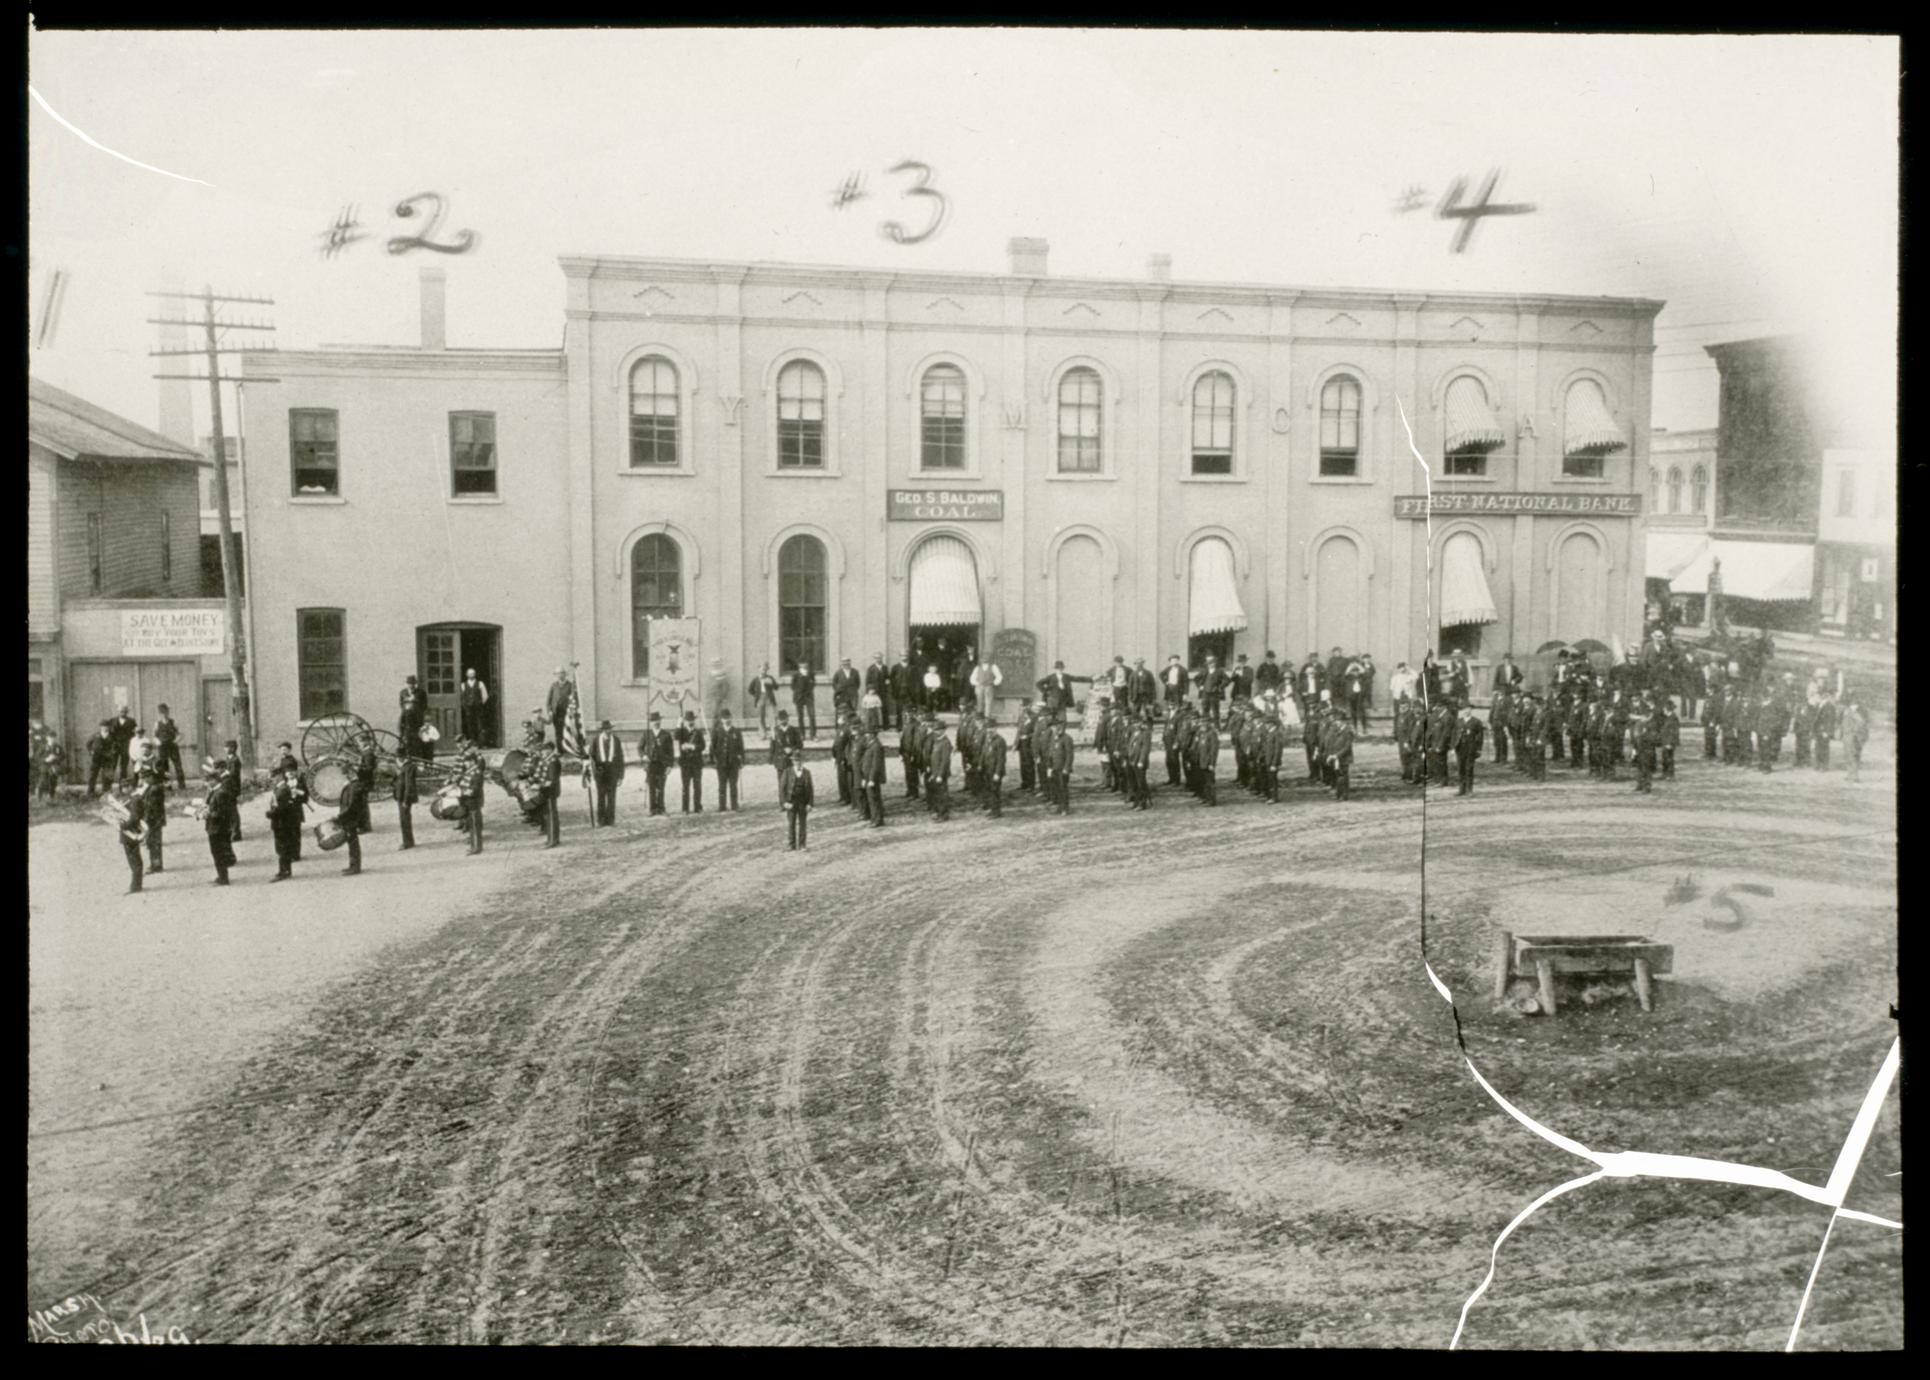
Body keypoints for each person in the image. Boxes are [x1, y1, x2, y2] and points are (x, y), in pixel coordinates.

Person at [336, 742, 375, 874]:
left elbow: (352, 805)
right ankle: (352, 865)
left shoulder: (354, 786)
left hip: (351, 820)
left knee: (353, 844)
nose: (345, 777)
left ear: (350, 774)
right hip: (349, 819)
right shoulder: (352, 785)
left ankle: (355, 867)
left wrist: (340, 817)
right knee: (351, 843)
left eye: (346, 775)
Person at [266, 763, 307, 880]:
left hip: (282, 823)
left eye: (273, 777)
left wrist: (270, 813)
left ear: (279, 776)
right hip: (282, 823)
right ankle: (286, 870)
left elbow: (281, 809)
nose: (271, 779)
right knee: (282, 847)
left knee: (282, 848)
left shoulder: (283, 789)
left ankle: (284, 872)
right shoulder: (281, 787)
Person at [587, 718, 625, 826]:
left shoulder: (616, 740)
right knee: (601, 796)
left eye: (609, 729)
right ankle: (601, 820)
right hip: (601, 771)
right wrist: (594, 771)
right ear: (602, 730)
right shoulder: (596, 740)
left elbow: (620, 758)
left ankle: (610, 819)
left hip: (612, 771)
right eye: (606, 730)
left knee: (612, 796)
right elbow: (592, 756)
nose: (608, 731)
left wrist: (621, 775)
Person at [711, 710, 745, 812]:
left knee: (733, 785)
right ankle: (722, 806)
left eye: (728, 718)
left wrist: (742, 760)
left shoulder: (736, 732)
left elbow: (741, 747)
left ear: (731, 718)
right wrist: (713, 760)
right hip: (721, 763)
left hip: (733, 763)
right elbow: (712, 747)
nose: (727, 720)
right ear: (721, 720)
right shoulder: (717, 732)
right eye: (724, 718)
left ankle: (734, 805)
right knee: (722, 785)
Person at [675, 709, 707, 813]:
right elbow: (675, 736)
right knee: (685, 786)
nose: (690, 722)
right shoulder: (682, 732)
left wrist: (692, 746)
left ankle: (697, 807)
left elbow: (703, 746)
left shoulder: (698, 732)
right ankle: (685, 808)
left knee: (697, 786)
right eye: (688, 720)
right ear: (685, 721)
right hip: (685, 763)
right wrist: (678, 723)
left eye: (692, 720)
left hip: (697, 763)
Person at [644, 712, 675, 815]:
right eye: (654, 721)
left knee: (661, 787)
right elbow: (639, 747)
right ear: (651, 722)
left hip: (662, 765)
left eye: (658, 720)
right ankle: (653, 809)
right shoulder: (647, 734)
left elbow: (671, 751)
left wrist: (670, 765)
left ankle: (661, 808)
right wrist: (643, 755)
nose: (656, 722)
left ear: (660, 721)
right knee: (652, 786)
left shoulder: (666, 735)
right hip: (651, 764)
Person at [856, 721, 887, 826]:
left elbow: (875, 765)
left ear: (873, 735)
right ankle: (874, 818)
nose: (866, 735)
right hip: (867, 776)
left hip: (872, 777)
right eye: (866, 733)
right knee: (871, 798)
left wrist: (872, 779)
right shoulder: (870, 745)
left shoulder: (876, 746)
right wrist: (864, 777)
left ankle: (877, 819)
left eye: (868, 733)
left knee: (874, 799)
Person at [783, 750, 814, 850]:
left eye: (799, 760)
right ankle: (791, 845)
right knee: (791, 823)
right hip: (791, 801)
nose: (798, 762)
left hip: (802, 802)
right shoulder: (787, 772)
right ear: (792, 761)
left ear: (802, 761)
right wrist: (784, 802)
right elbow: (782, 789)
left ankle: (802, 845)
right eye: (796, 761)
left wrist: (810, 803)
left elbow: (810, 789)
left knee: (803, 824)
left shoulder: (807, 773)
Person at [151, 703, 187, 789]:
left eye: (166, 712)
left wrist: (175, 741)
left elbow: (181, 734)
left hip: (172, 746)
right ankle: (167, 786)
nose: (164, 714)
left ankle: (181, 785)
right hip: (162, 747)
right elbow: (153, 736)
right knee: (164, 766)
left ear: (168, 712)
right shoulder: (157, 724)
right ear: (159, 713)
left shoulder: (173, 722)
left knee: (178, 765)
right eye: (162, 712)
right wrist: (158, 742)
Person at [925, 720, 954, 822]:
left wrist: (940, 775)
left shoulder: (946, 743)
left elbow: (945, 761)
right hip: (935, 772)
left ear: (943, 731)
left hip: (941, 773)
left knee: (942, 794)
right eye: (935, 730)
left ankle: (943, 814)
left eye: (939, 730)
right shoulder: (937, 741)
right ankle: (937, 811)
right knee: (936, 794)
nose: (936, 732)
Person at [1454, 704, 1485, 796]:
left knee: (1469, 768)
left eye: (1468, 709)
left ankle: (1469, 789)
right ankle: (1461, 789)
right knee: (1460, 768)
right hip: (1460, 748)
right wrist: (1453, 746)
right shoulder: (1458, 721)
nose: (1466, 711)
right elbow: (1454, 735)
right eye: (1464, 709)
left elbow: (1480, 737)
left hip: (1471, 748)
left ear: (1471, 710)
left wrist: (1479, 749)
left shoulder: (1476, 722)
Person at [1191, 714, 1220, 806]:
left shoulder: (1212, 734)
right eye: (1201, 723)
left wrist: (1212, 763)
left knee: (1209, 781)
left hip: (1207, 762)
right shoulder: (1200, 733)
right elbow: (1196, 746)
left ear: (1209, 724)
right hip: (1200, 761)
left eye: (1205, 723)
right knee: (1203, 780)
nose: (1202, 725)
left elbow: (1213, 750)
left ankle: (1211, 800)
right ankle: (1205, 797)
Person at [459, 668, 491, 747]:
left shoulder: (480, 684)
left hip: (478, 708)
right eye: (469, 674)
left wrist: (480, 703)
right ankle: (471, 743)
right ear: (466, 675)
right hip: (468, 708)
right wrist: (464, 705)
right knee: (469, 725)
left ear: (475, 674)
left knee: (480, 725)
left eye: (473, 673)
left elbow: (485, 696)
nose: (471, 675)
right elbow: (461, 697)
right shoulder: (463, 685)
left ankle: (481, 743)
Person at [85, 722, 117, 797]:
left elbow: (116, 746)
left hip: (107, 758)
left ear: (109, 727)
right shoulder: (95, 735)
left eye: (106, 726)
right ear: (100, 727)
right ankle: (90, 792)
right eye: (103, 726)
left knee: (107, 775)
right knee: (93, 775)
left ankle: (106, 792)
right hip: (96, 758)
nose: (105, 728)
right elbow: (88, 744)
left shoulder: (112, 736)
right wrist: (91, 752)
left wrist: (112, 753)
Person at [545, 667, 574, 751]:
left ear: (565, 674)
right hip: (556, 714)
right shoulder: (553, 685)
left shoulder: (570, 685)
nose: (560, 675)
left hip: (566, 713)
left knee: (567, 732)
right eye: (558, 674)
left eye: (561, 673)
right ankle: (560, 750)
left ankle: (568, 749)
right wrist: (549, 711)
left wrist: (571, 711)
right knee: (558, 733)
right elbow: (548, 701)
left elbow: (573, 700)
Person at [1195, 656, 1229, 726]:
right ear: (1207, 664)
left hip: (1215, 694)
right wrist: (1200, 686)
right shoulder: (1204, 671)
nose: (1211, 665)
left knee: (1215, 710)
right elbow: (1196, 678)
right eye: (1209, 664)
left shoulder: (1220, 671)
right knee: (1205, 709)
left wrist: (1220, 687)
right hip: (1205, 693)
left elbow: (1227, 680)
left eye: (1213, 663)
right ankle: (1205, 725)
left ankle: (1217, 726)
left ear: (1215, 663)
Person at [1842, 696, 1869, 782]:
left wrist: (1854, 732)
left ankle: (1854, 776)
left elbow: (1861, 723)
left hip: (1852, 738)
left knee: (1853, 756)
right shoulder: (1848, 712)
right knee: (1848, 756)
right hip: (1847, 737)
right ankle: (1850, 774)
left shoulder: (1854, 713)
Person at [749, 663, 781, 737]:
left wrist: (771, 683)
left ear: (767, 669)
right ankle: (763, 733)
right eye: (762, 668)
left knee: (772, 716)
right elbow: (750, 689)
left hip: (769, 699)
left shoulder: (770, 677)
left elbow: (776, 687)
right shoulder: (756, 679)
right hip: (760, 699)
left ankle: (773, 732)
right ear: (759, 669)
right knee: (761, 717)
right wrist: (756, 695)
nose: (764, 670)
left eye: (765, 668)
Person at [705, 658, 732, 738]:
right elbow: (710, 687)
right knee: (715, 715)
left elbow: (726, 686)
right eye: (714, 663)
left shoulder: (722, 674)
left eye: (716, 663)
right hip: (713, 698)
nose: (715, 665)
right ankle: (715, 732)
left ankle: (716, 732)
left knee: (719, 715)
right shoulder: (711, 673)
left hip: (719, 699)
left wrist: (722, 697)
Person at [790, 662, 819, 738]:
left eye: (806, 666)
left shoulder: (811, 674)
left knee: (812, 716)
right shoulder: (796, 675)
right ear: (799, 667)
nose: (804, 667)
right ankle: (802, 734)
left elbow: (813, 683)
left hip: (809, 698)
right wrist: (799, 691)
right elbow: (792, 686)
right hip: (799, 698)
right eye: (802, 666)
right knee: (800, 716)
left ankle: (813, 735)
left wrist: (808, 690)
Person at [1812, 691, 1839, 771]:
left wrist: (1827, 731)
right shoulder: (1819, 705)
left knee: (1824, 748)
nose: (1816, 698)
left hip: (1824, 731)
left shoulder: (1829, 706)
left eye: (1818, 697)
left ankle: (1824, 766)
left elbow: (1830, 720)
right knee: (1818, 747)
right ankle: (1817, 764)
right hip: (1818, 730)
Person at [886, 654, 911, 730]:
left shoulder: (912, 667)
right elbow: (891, 680)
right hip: (898, 692)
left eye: (906, 656)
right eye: (902, 656)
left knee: (909, 709)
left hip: (909, 693)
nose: (904, 657)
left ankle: (909, 726)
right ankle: (899, 726)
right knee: (899, 709)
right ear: (900, 657)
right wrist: (894, 691)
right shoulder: (895, 667)